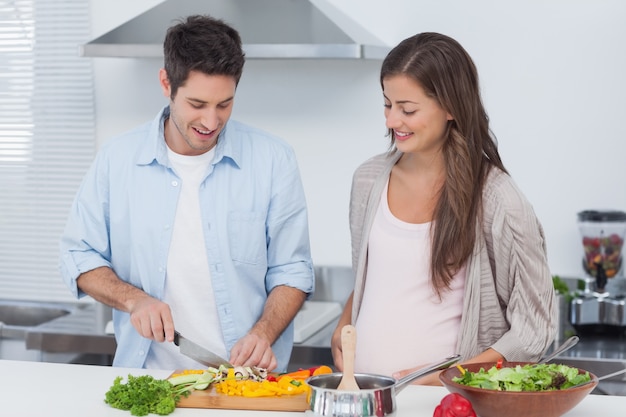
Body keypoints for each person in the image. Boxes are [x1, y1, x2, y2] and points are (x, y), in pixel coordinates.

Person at [59, 15, 314, 372]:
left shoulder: (273, 160)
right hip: (148, 381)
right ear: (166, 83)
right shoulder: (117, 161)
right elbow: (78, 256)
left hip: (246, 386)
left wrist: (263, 332)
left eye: (224, 104)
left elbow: (293, 270)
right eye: (197, 104)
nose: (211, 122)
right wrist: (134, 300)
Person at [330, 32, 556, 385]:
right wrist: (344, 324)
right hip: (366, 394)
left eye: (407, 109)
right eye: (387, 104)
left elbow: (533, 332)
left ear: (451, 107)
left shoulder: (497, 199)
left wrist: (448, 377)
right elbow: (372, 275)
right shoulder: (368, 180)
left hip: (448, 404)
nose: (391, 121)